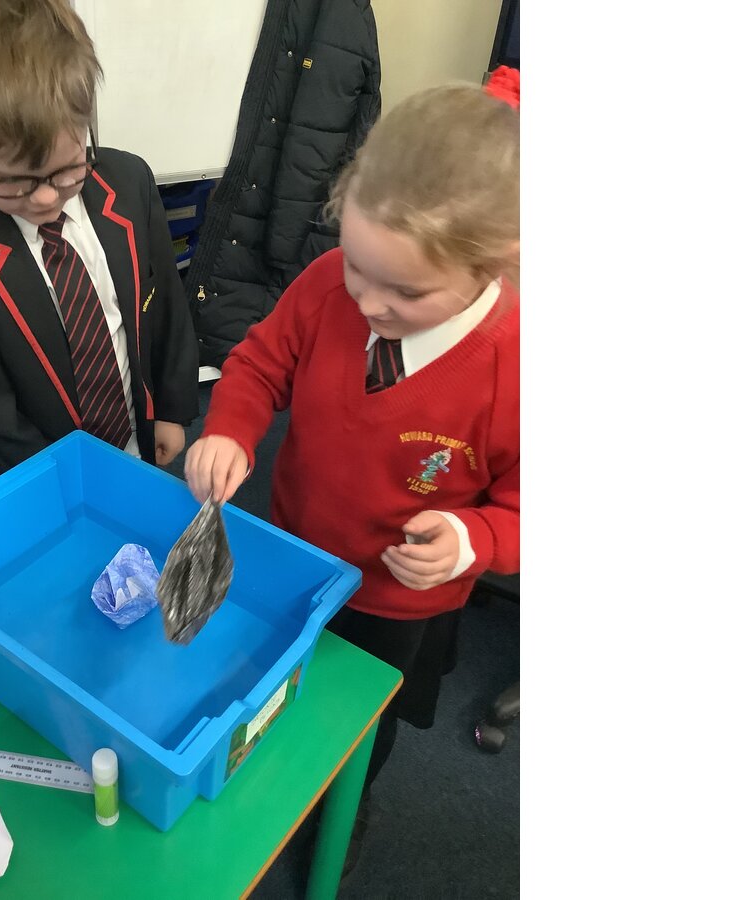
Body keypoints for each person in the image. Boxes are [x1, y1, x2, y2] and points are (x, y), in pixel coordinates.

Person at [184, 81, 519, 871]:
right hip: (296, 553)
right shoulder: (329, 282)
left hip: (397, 604)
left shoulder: (516, 370)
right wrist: (229, 428)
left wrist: (471, 538)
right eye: (359, 267)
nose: (368, 301)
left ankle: (346, 803)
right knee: (272, 682)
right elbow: (259, 364)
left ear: (494, 264)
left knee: (363, 724)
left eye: (406, 290)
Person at [0, 0, 198, 482]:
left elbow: (163, 307)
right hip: (40, 472)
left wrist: (170, 407)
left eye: (68, 170)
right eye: (12, 180)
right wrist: (62, 486)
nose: (45, 198)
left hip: (136, 435)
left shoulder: (130, 181)